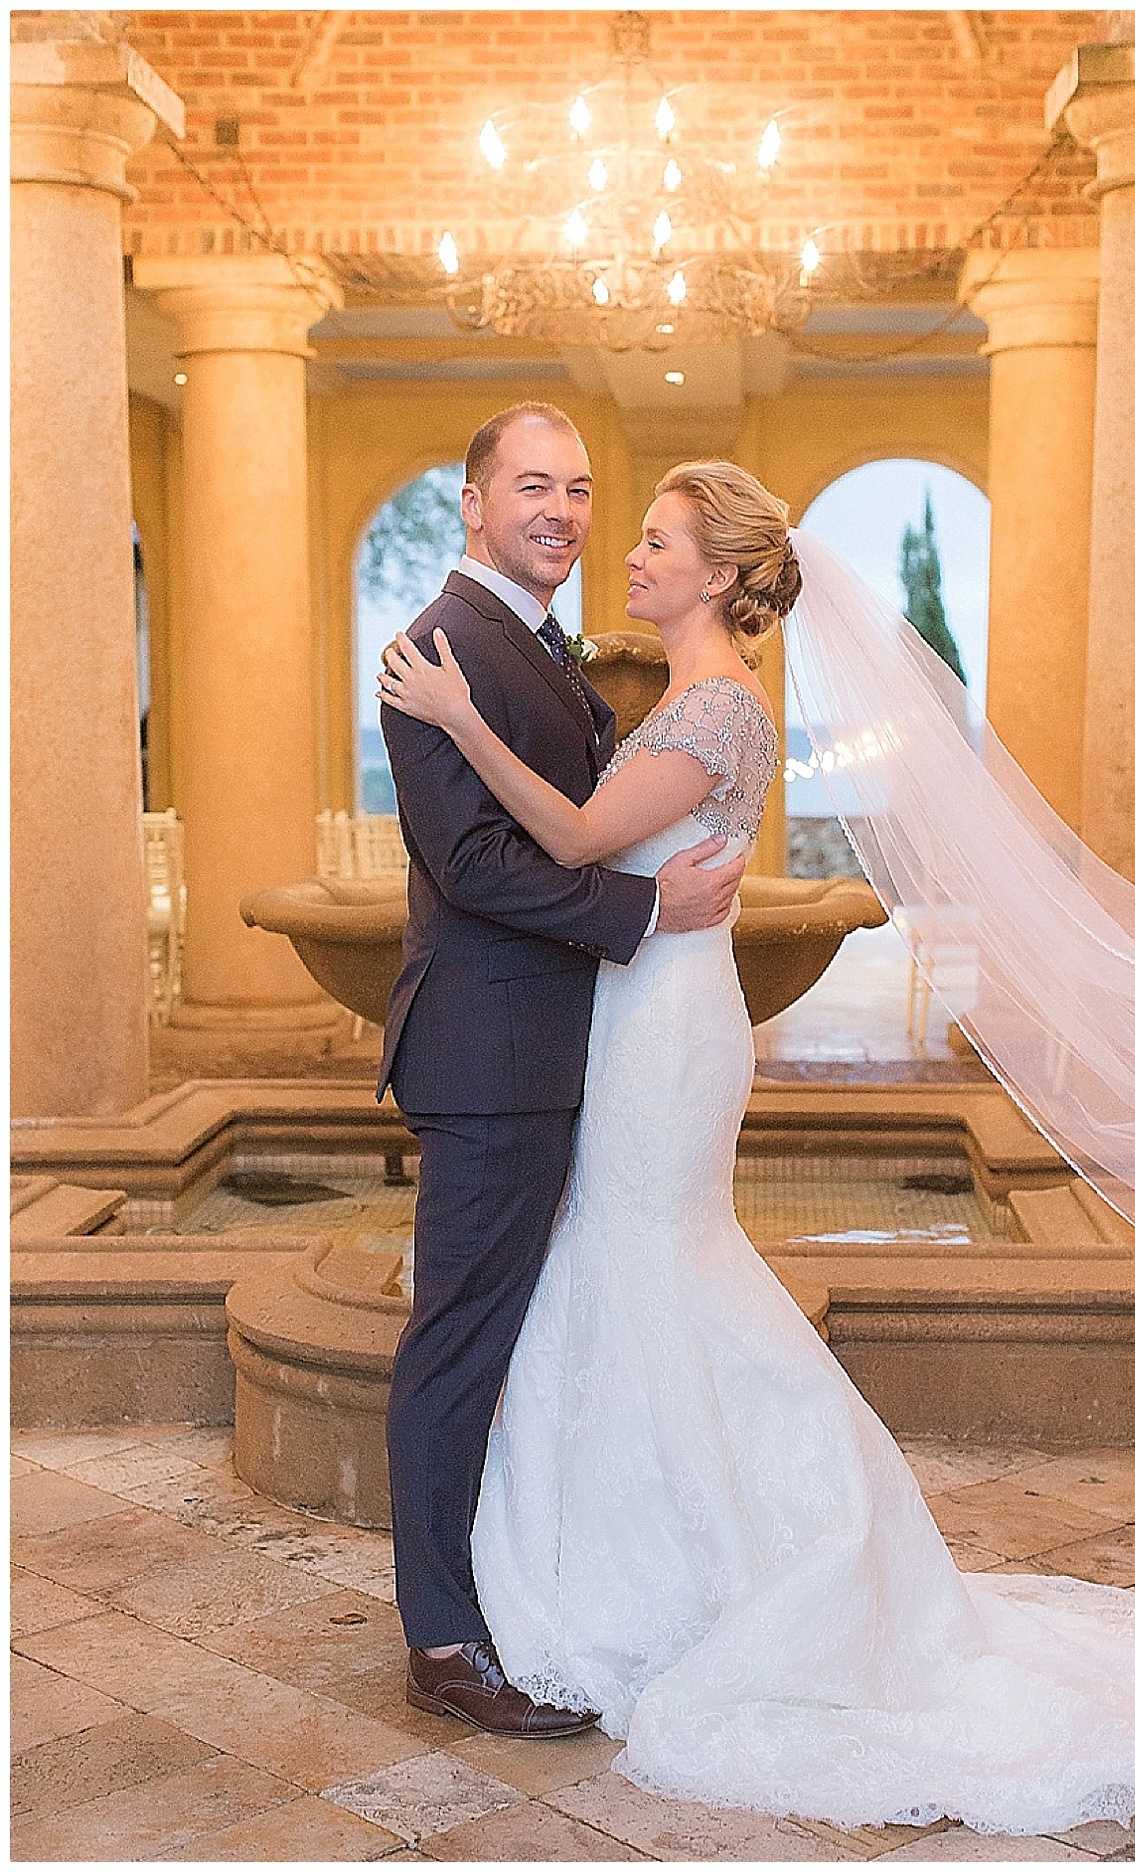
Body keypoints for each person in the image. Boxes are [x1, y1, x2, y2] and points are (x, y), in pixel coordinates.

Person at [377, 460, 1135, 1833]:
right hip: (649, 1001)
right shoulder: (691, 696)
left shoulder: (713, 702)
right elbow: (619, 859)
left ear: (718, 575)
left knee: (660, 1267)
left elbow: (577, 831)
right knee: (628, 1272)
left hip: (661, 1028)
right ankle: (658, 1562)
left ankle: (786, 1555)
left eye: (656, 540)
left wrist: (455, 719)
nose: (633, 555)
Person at [378, 402, 745, 1737]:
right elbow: (472, 867)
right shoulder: (437, 647)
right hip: (492, 1055)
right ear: (473, 501)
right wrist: (642, 917)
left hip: (559, 1044)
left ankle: (532, 1592)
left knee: (530, 1332)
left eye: (581, 489)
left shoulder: (525, 639)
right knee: (460, 1341)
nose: (563, 512)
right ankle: (445, 1642)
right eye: (533, 486)